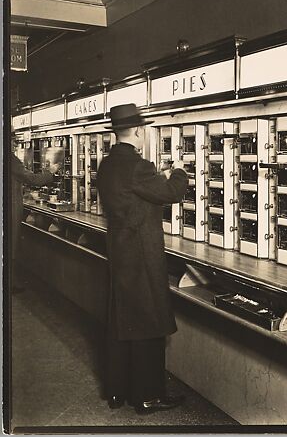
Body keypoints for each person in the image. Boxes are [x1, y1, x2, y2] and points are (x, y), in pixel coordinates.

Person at [96, 104, 188, 414]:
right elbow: (171, 193)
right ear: (138, 131)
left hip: (119, 251)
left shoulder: (107, 165)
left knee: (122, 322)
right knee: (149, 324)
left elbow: (134, 195)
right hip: (142, 255)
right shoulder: (139, 166)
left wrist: (156, 178)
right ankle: (149, 396)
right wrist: (179, 170)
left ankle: (117, 391)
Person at [10, 145, 60, 292]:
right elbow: (33, 179)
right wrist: (50, 172)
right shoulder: (10, 159)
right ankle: (10, 283)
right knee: (11, 243)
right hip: (9, 207)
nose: (14, 144)